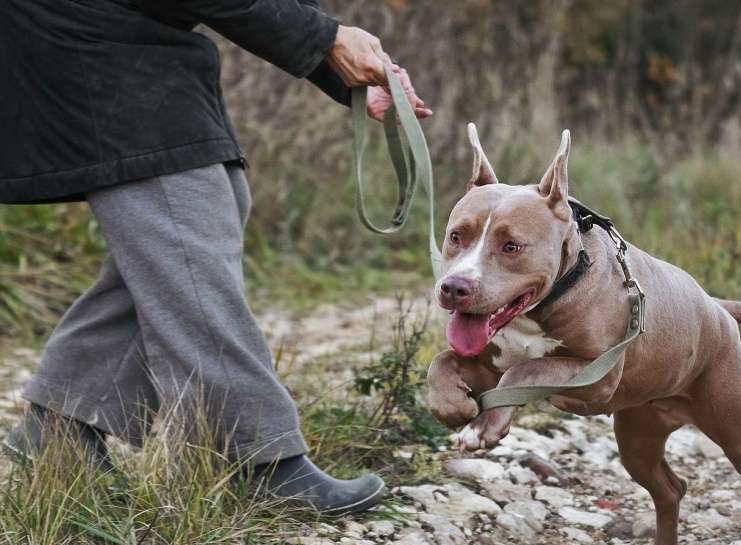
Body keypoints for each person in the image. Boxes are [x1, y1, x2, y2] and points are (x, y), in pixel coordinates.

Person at [0, 0, 431, 515]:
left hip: (130, 35)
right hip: (83, 37)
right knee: (184, 225)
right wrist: (326, 39)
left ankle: (60, 431)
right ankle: (259, 459)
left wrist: (339, 67)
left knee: (198, 219)